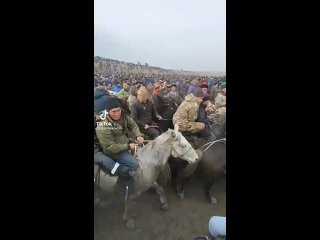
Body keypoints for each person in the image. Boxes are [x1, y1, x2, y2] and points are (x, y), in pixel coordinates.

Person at [95, 96, 144, 172]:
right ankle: (127, 182)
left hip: (125, 142)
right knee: (134, 164)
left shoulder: (123, 116)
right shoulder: (103, 126)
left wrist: (138, 135)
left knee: (144, 154)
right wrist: (128, 146)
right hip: (113, 152)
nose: (117, 114)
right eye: (113, 112)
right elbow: (109, 147)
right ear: (108, 112)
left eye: (118, 110)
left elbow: (133, 125)